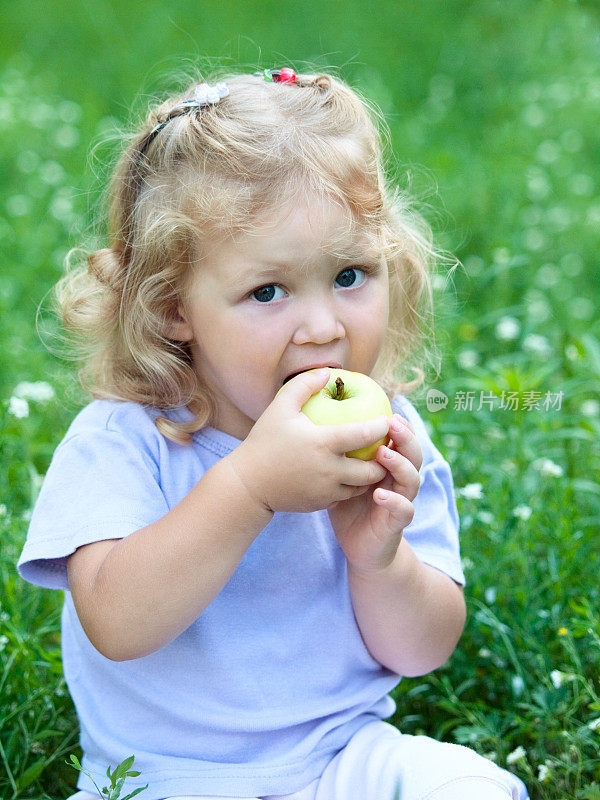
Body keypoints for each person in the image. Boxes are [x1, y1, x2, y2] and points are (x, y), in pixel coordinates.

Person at [18, 67, 529, 800]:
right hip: (166, 780)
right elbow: (117, 624)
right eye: (267, 291)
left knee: (464, 784)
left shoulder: (386, 431)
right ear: (172, 309)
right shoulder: (125, 439)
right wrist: (250, 486)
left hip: (340, 759)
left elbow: (422, 651)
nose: (323, 326)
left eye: (351, 274)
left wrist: (378, 559)